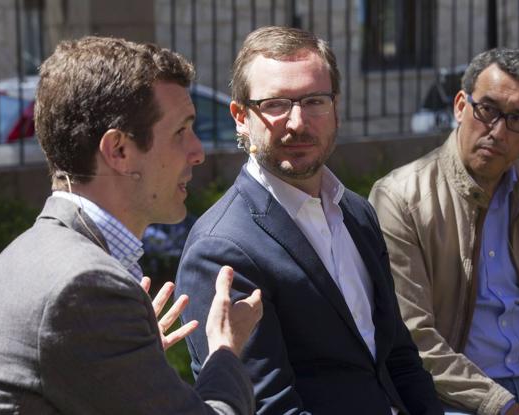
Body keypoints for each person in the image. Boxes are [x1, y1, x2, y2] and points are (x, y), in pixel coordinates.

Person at [0, 36, 262, 414]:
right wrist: (225, 349)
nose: (198, 152)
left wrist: (131, 362)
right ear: (119, 151)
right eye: (181, 131)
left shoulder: (30, 257)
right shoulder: (83, 287)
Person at [175, 26, 442, 415]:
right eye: (276, 104)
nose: (298, 123)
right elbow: (268, 407)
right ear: (240, 117)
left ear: (336, 107)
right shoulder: (221, 250)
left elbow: (398, 357)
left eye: (314, 101)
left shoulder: (356, 213)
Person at [369, 48, 519, 415]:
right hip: (456, 396)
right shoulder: (400, 198)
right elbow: (413, 338)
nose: (497, 131)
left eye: (518, 118)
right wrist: (505, 408)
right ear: (461, 106)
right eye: (487, 110)